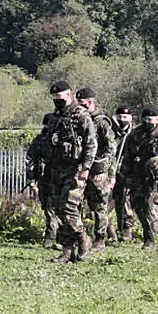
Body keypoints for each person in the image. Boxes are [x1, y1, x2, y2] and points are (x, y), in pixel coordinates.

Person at [42, 81, 97, 263]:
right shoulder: (54, 117)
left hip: (76, 169)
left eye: (60, 98)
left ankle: (83, 238)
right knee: (59, 209)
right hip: (57, 169)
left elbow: (91, 143)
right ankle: (67, 252)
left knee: (69, 208)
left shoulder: (81, 115)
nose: (57, 101)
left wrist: (86, 167)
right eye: (54, 99)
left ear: (69, 95)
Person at [118, 109, 158, 249]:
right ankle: (149, 232)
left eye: (151, 119)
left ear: (157, 119)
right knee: (138, 206)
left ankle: (150, 240)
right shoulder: (135, 135)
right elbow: (127, 156)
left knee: (150, 207)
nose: (148, 122)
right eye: (146, 119)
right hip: (138, 177)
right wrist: (125, 175)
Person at [76, 88, 117, 252]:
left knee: (99, 206)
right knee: (76, 204)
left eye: (82, 103)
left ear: (90, 102)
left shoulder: (101, 121)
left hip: (98, 172)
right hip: (81, 169)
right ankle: (80, 238)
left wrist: (104, 169)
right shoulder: (79, 120)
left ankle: (100, 239)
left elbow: (111, 148)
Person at [25, 113, 59, 249]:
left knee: (61, 208)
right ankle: (50, 238)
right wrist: (32, 180)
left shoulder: (59, 140)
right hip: (44, 179)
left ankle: (58, 238)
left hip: (59, 178)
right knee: (47, 208)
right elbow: (30, 159)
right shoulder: (40, 140)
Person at [109, 106, 135, 241]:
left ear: (131, 118)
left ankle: (126, 230)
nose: (122, 120)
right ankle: (110, 231)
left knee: (125, 202)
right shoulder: (111, 132)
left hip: (128, 173)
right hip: (111, 172)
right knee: (106, 203)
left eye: (125, 117)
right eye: (119, 117)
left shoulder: (135, 134)